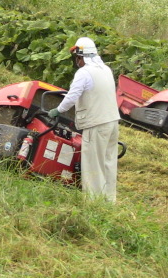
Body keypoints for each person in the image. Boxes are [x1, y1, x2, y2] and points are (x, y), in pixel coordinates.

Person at [48, 37, 121, 202]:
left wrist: (58, 110)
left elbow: (72, 97)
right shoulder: (106, 69)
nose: (77, 62)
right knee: (108, 162)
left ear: (81, 57)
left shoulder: (84, 73)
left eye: (77, 58)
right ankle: (109, 202)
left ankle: (94, 203)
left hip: (96, 125)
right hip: (112, 122)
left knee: (93, 165)